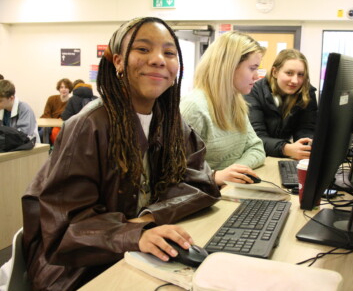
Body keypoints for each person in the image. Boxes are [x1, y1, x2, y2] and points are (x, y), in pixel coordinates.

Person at [21, 17, 220, 291]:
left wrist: (149, 217)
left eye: (169, 52)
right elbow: (63, 229)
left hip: (141, 250)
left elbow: (201, 182)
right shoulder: (88, 125)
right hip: (78, 269)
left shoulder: (173, 122)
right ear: (117, 62)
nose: (158, 59)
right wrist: (133, 233)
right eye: (143, 49)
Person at [180, 31, 266, 186]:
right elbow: (176, 171)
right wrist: (216, 176)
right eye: (252, 68)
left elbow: (257, 148)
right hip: (204, 197)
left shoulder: (236, 102)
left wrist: (234, 173)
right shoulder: (194, 108)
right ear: (229, 67)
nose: (256, 77)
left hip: (228, 190)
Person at [245, 49, 318, 160]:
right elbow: (256, 137)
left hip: (280, 156)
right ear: (275, 72)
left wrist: (306, 145)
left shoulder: (306, 93)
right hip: (256, 156)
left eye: (301, 74)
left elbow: (306, 129)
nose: (295, 80)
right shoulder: (254, 92)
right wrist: (286, 148)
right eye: (289, 73)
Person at [40, 78, 73, 143]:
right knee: (41, 132)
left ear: (69, 89)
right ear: (59, 89)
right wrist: (52, 123)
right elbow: (46, 113)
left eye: (66, 87)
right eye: (61, 87)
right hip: (48, 123)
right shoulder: (51, 99)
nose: (63, 89)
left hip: (60, 126)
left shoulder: (71, 102)